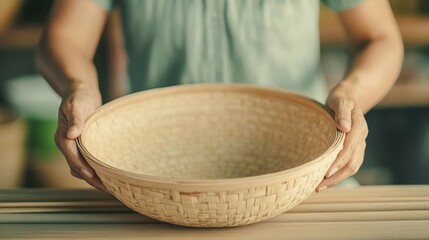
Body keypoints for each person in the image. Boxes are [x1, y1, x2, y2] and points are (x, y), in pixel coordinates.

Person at [36, 0, 403, 192]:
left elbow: (381, 37)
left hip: (304, 177)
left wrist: (351, 94)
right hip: (152, 182)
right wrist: (78, 88)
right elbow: (64, 38)